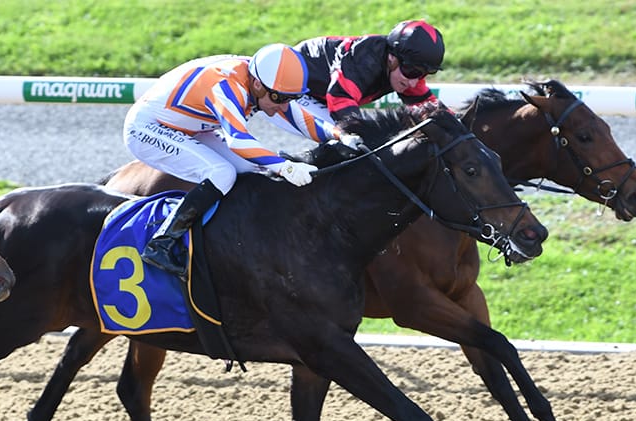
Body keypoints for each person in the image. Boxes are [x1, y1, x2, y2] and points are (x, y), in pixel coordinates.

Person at [123, 43, 362, 276]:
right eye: (279, 98)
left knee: (250, 170)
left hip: (190, 125)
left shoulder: (265, 84)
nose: (282, 106)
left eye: (290, 98)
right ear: (258, 85)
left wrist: (341, 135)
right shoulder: (227, 85)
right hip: (148, 128)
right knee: (221, 173)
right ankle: (162, 243)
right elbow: (238, 141)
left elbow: (303, 120)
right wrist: (286, 168)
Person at [270, 19, 445, 132]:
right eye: (412, 71)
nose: (414, 82)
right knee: (345, 139)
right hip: (289, 89)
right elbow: (339, 99)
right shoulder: (365, 60)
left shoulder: (402, 68)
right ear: (392, 59)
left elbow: (430, 107)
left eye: (423, 74)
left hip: (324, 94)